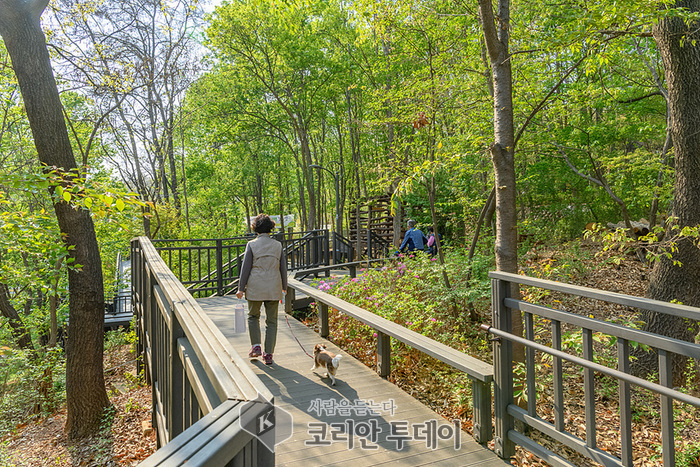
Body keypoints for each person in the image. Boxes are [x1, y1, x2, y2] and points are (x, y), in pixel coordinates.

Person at [236, 213, 287, 365]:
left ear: (255, 228)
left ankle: (256, 346)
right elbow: (283, 269)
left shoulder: (251, 245)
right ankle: (269, 354)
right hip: (273, 287)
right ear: (270, 228)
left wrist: (241, 288)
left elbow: (245, 269)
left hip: (255, 287)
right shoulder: (278, 245)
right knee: (272, 321)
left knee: (253, 316)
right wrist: (284, 287)